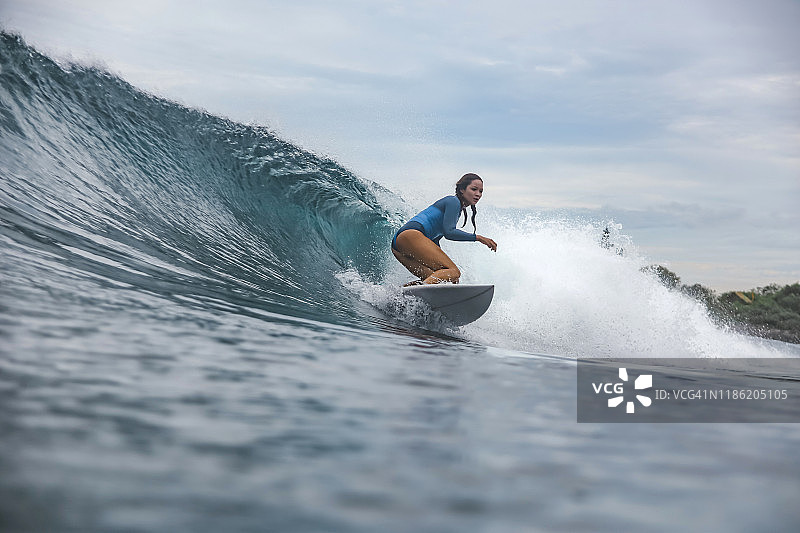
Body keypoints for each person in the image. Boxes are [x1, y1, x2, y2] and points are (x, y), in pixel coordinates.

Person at [391, 173, 497, 285]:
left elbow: (435, 241)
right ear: (462, 190)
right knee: (454, 272)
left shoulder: (455, 207)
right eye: (474, 189)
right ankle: (421, 291)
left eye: (481, 191)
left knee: (436, 277)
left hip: (398, 246)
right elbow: (449, 232)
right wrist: (478, 238)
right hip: (410, 235)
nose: (478, 194)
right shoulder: (453, 201)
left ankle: (401, 294)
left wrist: (448, 275)